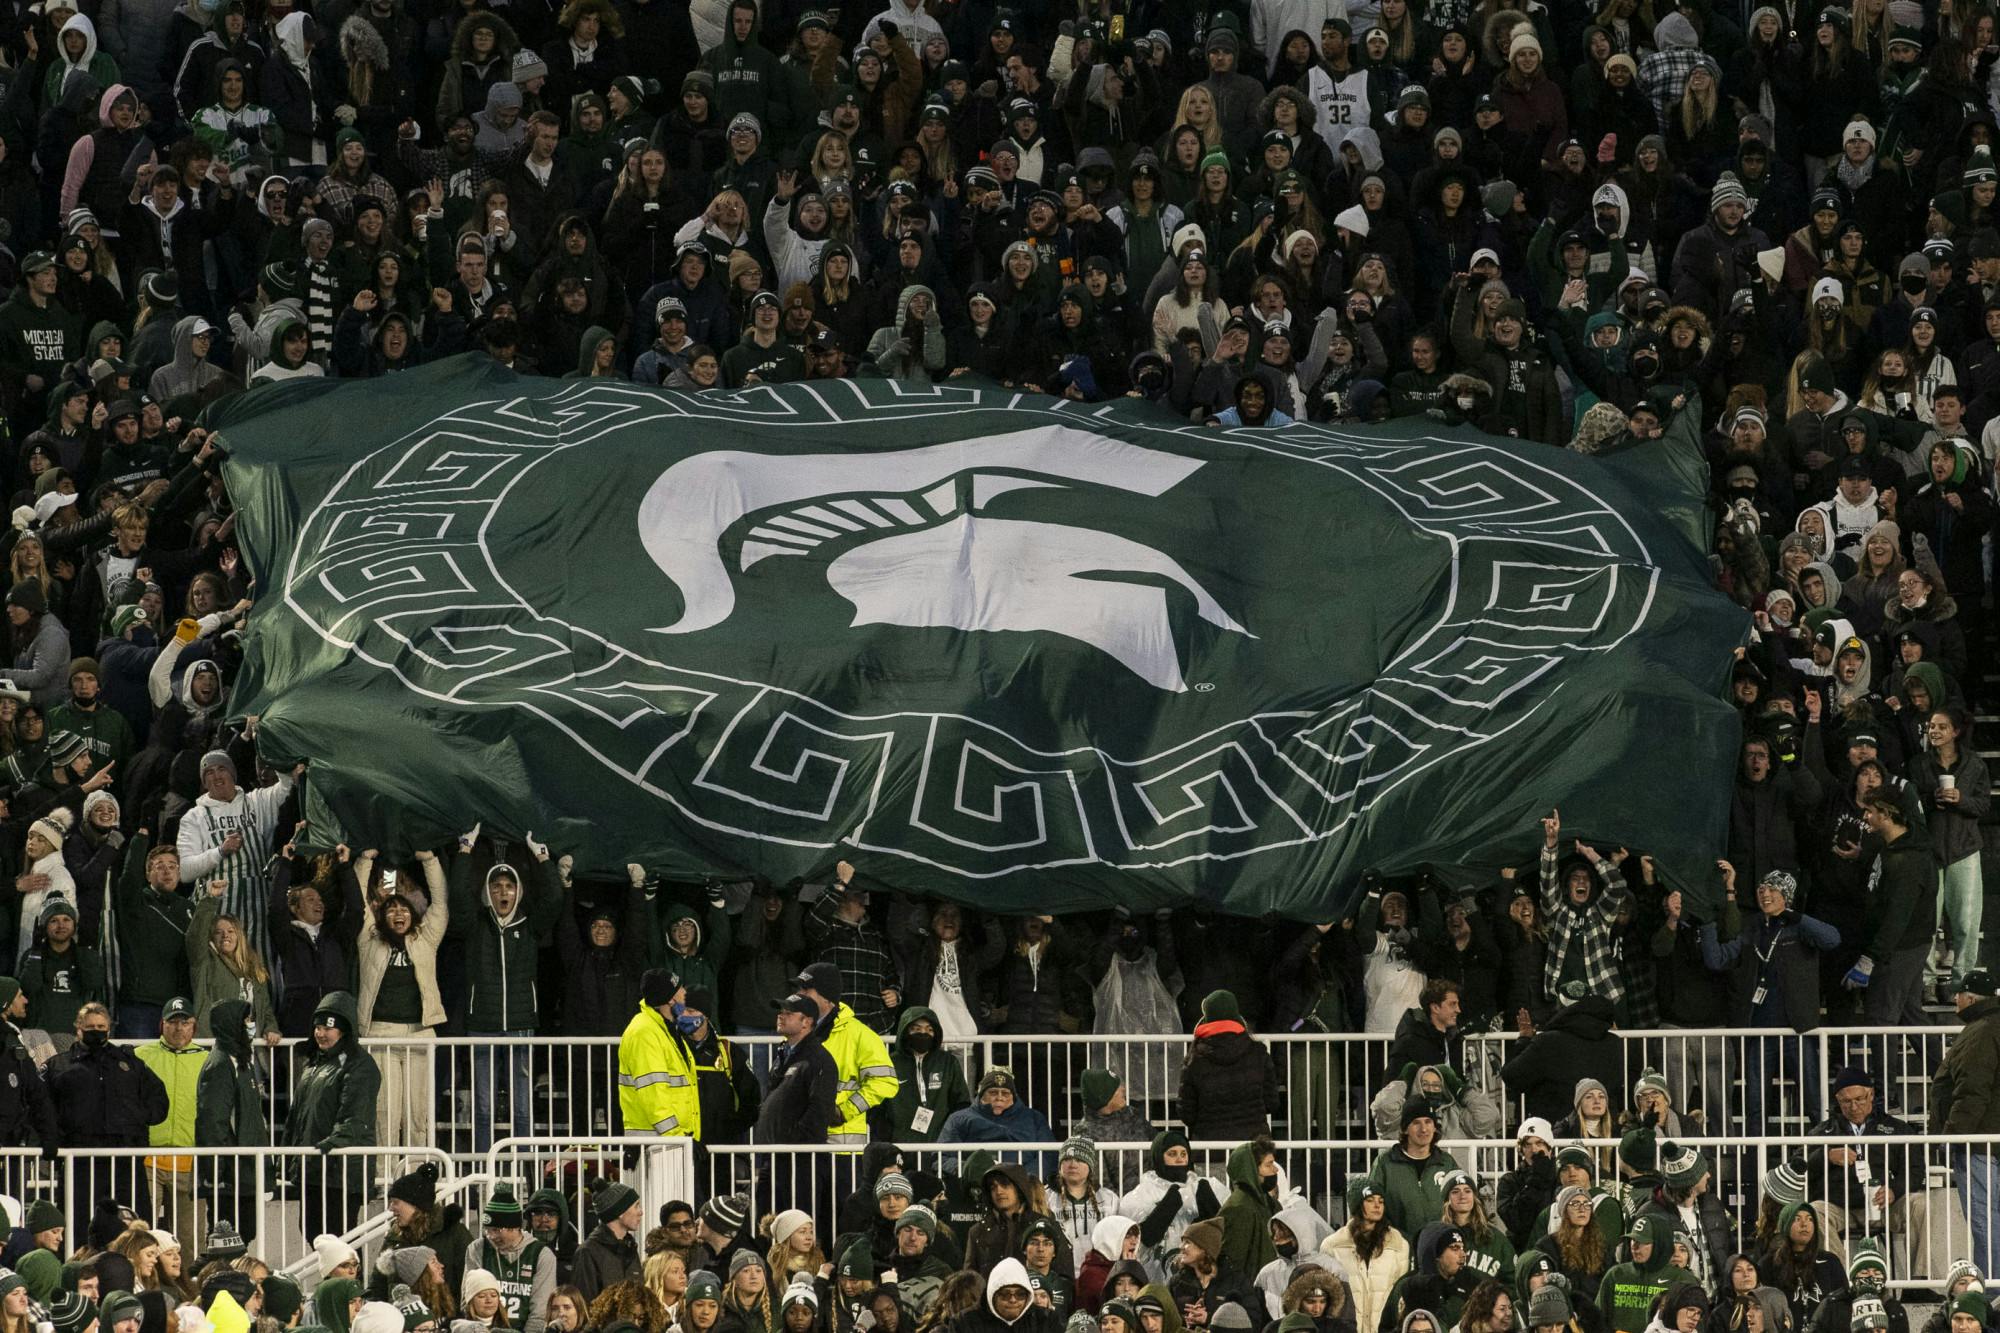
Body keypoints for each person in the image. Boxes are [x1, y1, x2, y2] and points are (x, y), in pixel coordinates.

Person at [284, 992, 381, 1240]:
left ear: (344, 1030)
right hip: (315, 1169)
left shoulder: (361, 1065)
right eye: (317, 1026)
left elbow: (354, 1120)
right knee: (313, 1234)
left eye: (328, 1028)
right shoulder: (315, 1064)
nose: (320, 1033)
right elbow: (299, 1116)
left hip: (341, 1173)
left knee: (339, 1241)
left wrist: (325, 1148)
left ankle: (351, 1280)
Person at [1931, 968, 2000, 1273]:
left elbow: (1971, 1091)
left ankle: (1992, 1290)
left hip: (1979, 1143)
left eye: (1958, 995)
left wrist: (1951, 1137)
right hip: (1988, 1140)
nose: (1955, 999)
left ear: (1969, 997)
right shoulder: (1990, 1027)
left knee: (1985, 1219)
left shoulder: (1981, 1032)